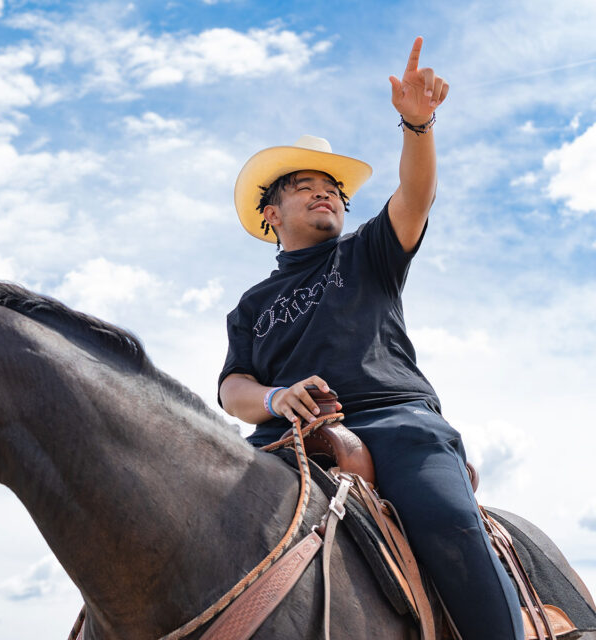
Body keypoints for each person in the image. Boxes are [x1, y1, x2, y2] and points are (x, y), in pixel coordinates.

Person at [217, 37, 523, 639]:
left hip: (396, 426)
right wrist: (276, 398)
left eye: (331, 186)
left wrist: (417, 124)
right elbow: (233, 389)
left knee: (447, 525)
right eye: (303, 185)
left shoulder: (369, 253)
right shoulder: (251, 304)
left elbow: (414, 196)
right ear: (270, 214)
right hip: (283, 442)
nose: (323, 191)